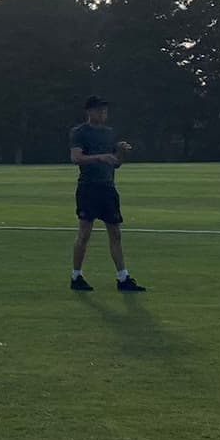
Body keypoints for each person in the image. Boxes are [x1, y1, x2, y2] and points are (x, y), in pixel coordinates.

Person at [70, 96, 146, 293]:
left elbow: (115, 163)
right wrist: (100, 157)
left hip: (108, 188)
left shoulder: (109, 133)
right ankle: (76, 276)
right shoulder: (80, 132)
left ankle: (123, 278)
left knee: (115, 233)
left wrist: (121, 153)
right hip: (88, 188)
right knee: (84, 234)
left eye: (105, 110)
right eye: (99, 109)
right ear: (89, 111)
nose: (103, 113)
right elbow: (76, 158)